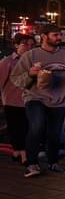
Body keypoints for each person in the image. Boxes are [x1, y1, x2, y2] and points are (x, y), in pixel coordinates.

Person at [11, 24, 65, 177]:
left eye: (60, 35)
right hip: (35, 97)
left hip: (60, 98)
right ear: (44, 36)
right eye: (55, 35)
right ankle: (32, 164)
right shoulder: (31, 55)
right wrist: (31, 74)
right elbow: (16, 78)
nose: (59, 38)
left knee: (54, 132)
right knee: (37, 126)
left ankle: (53, 162)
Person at [0, 33, 35, 163]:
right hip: (12, 101)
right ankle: (22, 153)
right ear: (16, 45)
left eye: (32, 45)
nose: (28, 47)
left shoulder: (33, 62)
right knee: (15, 128)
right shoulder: (7, 62)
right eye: (25, 44)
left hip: (30, 100)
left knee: (28, 128)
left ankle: (18, 152)